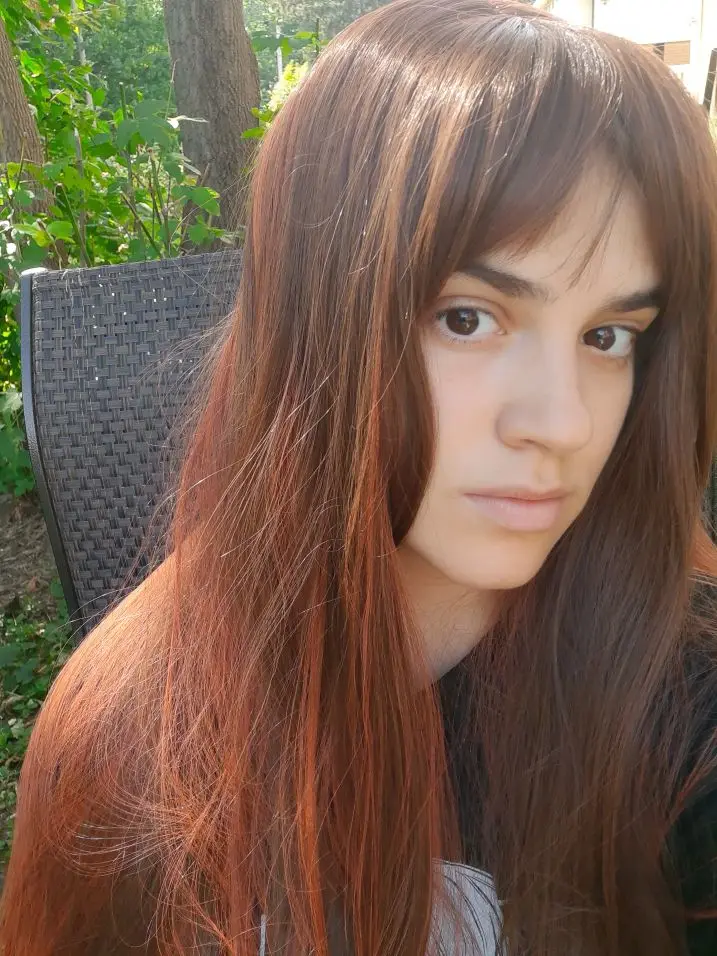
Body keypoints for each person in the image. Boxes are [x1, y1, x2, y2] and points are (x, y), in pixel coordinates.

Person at [3, 0, 717, 952]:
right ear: (320, 320)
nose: (563, 423)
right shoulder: (140, 738)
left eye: (608, 336)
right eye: (467, 317)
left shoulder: (679, 694)